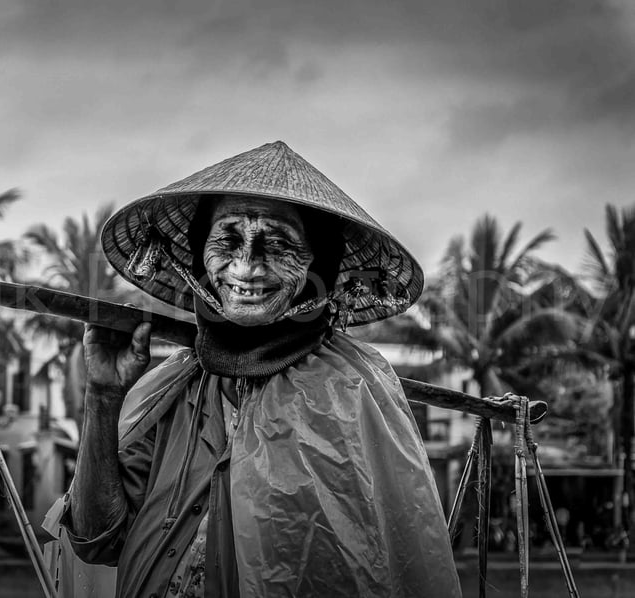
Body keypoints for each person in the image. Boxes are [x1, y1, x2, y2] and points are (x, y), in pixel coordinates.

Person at [44, 141, 462, 597]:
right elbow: (97, 540)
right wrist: (103, 396)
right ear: (199, 256)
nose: (245, 267)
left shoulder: (352, 391)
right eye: (227, 240)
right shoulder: (175, 388)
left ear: (318, 264)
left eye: (278, 244)